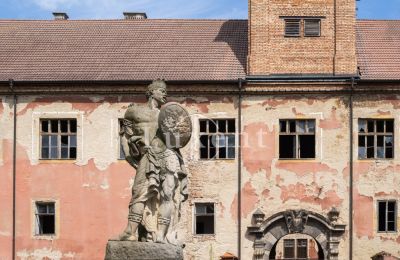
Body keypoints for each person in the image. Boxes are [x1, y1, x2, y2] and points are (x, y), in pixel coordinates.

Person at [118, 80, 188, 243]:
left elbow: (179, 138)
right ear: (151, 92)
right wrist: (130, 157)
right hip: (147, 156)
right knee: (139, 193)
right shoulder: (133, 112)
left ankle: (161, 236)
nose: (165, 94)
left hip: (168, 154)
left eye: (165, 91)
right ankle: (130, 232)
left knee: (167, 194)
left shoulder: (168, 115)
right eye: (161, 90)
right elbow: (124, 136)